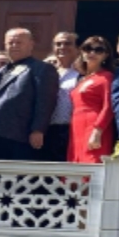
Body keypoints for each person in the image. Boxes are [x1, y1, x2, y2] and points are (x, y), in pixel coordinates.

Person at [0, 28, 59, 161]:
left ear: (31, 44)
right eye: (11, 43)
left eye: (19, 42)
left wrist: (38, 130)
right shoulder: (0, 71)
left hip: (20, 134)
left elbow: (45, 101)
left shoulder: (42, 68)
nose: (14, 46)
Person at [68, 36, 116, 164]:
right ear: (81, 51)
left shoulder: (106, 77)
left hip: (94, 125)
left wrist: (97, 131)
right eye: (87, 48)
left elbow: (109, 106)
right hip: (76, 127)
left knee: (92, 163)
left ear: (105, 55)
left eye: (98, 50)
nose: (92, 53)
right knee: (75, 165)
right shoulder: (82, 78)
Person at [45, 31, 81, 162]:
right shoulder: (46, 71)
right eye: (58, 44)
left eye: (67, 43)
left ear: (78, 48)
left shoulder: (83, 73)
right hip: (46, 129)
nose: (62, 47)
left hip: (71, 130)